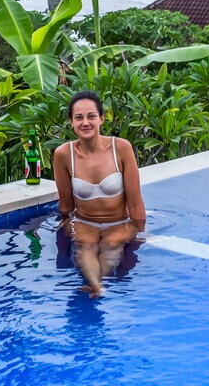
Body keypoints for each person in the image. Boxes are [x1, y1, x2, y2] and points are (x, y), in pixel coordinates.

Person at [53, 91, 147, 297]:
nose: (85, 122)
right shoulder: (63, 154)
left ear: (101, 119)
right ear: (71, 122)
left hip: (120, 222)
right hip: (84, 221)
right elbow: (66, 205)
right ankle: (96, 285)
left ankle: (96, 284)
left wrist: (140, 232)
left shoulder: (121, 148)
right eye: (78, 117)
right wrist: (64, 227)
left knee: (111, 244)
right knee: (86, 244)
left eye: (91, 116)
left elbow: (135, 201)